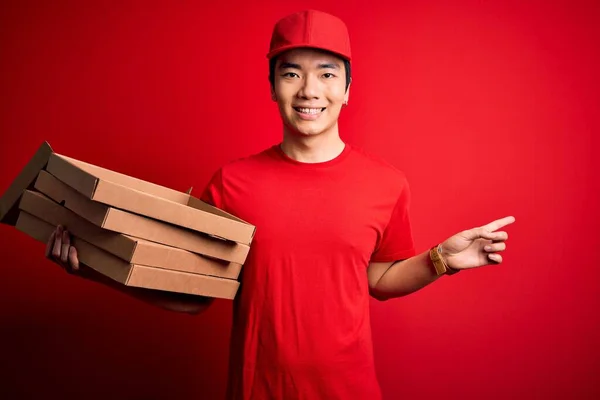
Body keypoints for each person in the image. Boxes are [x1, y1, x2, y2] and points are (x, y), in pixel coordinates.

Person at [46, 9, 515, 400]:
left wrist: (441, 261)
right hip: (257, 391)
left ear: (348, 90)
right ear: (273, 86)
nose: (309, 90)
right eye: (292, 73)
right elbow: (193, 297)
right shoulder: (231, 184)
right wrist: (92, 265)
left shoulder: (387, 184)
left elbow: (378, 278)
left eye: (327, 74)